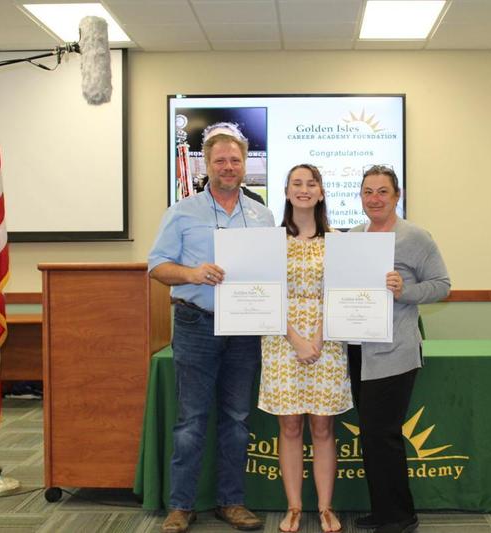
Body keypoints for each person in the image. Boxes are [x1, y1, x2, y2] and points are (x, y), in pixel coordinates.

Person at [149, 132, 275, 533]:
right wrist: (191, 273)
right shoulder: (182, 211)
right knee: (191, 420)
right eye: (220, 161)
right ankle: (181, 506)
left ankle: (231, 502)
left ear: (244, 165)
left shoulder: (263, 216)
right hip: (196, 322)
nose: (228, 168)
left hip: (245, 328)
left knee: (237, 419)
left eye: (235, 161)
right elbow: (156, 267)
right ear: (206, 165)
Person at [348, 165, 450, 533]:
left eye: (382, 192)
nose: (374, 199)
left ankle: (400, 517)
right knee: (372, 437)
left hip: (395, 353)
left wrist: (403, 291)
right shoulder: (353, 237)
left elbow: (442, 285)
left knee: (383, 436)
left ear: (397, 195)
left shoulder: (415, 237)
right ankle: (384, 511)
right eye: (367, 192)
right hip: (359, 351)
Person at [258, 164, 352, 533]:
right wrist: (296, 338)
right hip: (281, 341)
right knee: (291, 425)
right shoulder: (270, 242)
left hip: (328, 341)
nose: (304, 189)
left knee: (324, 427)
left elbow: (341, 295)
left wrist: (318, 336)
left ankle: (326, 507)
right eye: (296, 183)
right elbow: (264, 296)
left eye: (311, 183)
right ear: (286, 192)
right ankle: (294, 507)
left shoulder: (339, 241)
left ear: (322, 192)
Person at [197, 122, 264, 205]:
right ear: (205, 155)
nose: (228, 167)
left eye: (230, 142)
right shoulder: (187, 200)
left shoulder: (256, 203)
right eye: (213, 144)